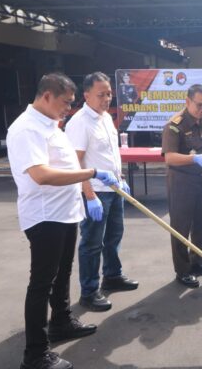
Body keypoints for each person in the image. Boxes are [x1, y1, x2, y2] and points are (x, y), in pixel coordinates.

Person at [6, 73, 119, 369]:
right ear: (46, 96)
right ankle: (35, 354)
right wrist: (91, 175)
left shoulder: (51, 125)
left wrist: (85, 193)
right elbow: (41, 174)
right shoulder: (27, 129)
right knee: (42, 282)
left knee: (64, 273)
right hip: (44, 217)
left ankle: (60, 322)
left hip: (65, 213)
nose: (69, 108)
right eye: (66, 102)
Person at [65, 72, 138, 312]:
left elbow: (110, 155)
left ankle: (112, 276)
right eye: (101, 94)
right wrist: (90, 196)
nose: (107, 98)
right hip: (95, 192)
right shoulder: (78, 123)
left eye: (109, 93)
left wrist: (121, 177)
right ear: (86, 95)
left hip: (114, 188)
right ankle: (89, 291)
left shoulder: (105, 117)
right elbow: (76, 163)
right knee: (92, 243)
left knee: (114, 235)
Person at [161, 84, 202, 288]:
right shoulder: (175, 125)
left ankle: (198, 261)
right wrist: (194, 159)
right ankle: (183, 270)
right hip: (182, 183)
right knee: (181, 227)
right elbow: (169, 157)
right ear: (187, 101)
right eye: (199, 105)